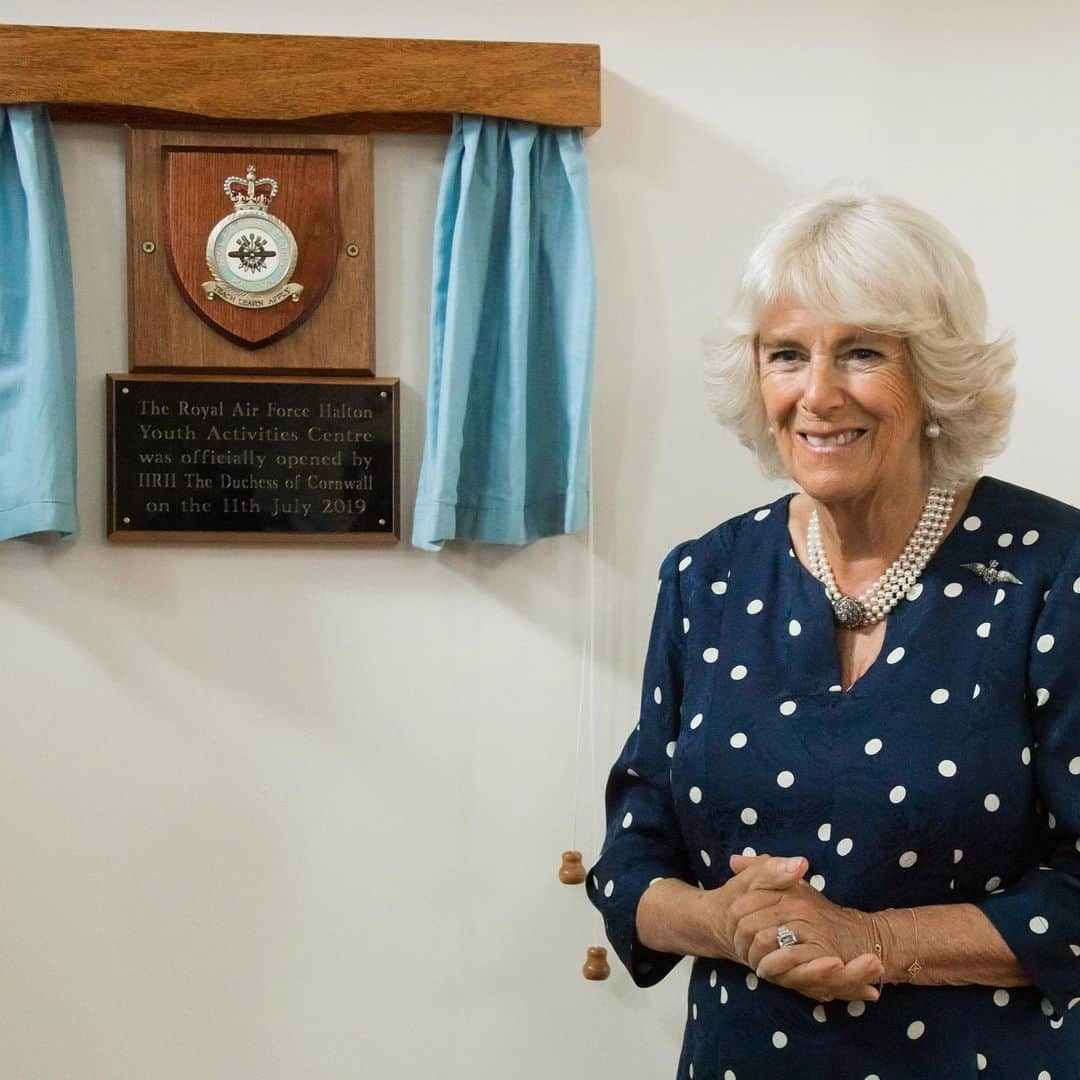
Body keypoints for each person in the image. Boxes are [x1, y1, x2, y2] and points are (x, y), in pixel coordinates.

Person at [586, 186, 1079, 1079]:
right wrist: (725, 922)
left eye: (860, 353)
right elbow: (631, 853)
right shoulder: (707, 578)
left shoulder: (1055, 571)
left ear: (934, 373)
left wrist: (874, 939)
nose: (817, 394)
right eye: (786, 354)